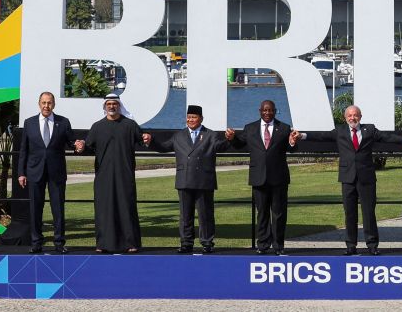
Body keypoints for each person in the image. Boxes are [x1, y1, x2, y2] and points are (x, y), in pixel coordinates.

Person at [297, 105, 402, 255]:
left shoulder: (370, 129)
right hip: (347, 178)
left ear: (360, 117)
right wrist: (302, 135)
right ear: (345, 118)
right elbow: (322, 136)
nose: (352, 118)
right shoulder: (340, 131)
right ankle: (350, 245)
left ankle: (372, 245)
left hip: (366, 178)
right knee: (350, 213)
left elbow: (387, 137)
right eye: (349, 115)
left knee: (369, 212)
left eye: (355, 115)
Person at [148, 104, 230, 254]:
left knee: (205, 214)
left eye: (194, 117)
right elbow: (164, 147)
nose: (191, 120)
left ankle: (207, 243)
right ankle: (186, 243)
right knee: (185, 215)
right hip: (184, 179)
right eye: (189, 117)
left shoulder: (210, 135)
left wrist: (229, 139)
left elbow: (221, 147)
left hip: (204, 180)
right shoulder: (179, 135)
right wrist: (151, 141)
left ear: (201, 119)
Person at [76, 92, 150, 253]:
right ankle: (103, 244)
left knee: (126, 208)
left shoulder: (130, 125)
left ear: (119, 106)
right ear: (105, 106)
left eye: (114, 104)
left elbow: (143, 141)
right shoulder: (97, 127)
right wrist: (81, 146)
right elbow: (88, 146)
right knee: (104, 210)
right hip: (104, 176)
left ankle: (131, 243)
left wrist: (147, 138)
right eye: (109, 104)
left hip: (125, 175)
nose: (112, 106)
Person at [226, 100, 298, 255]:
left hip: (278, 178)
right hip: (258, 177)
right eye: (264, 110)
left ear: (275, 111)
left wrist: (292, 143)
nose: (267, 113)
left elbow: (291, 148)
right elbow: (239, 145)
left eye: (270, 110)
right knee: (262, 213)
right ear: (260, 111)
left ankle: (278, 246)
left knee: (279, 214)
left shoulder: (284, 128)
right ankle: (263, 245)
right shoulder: (250, 128)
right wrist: (232, 138)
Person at [16, 91, 75, 254]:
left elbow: (71, 142)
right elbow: (24, 150)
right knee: (35, 208)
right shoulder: (29, 123)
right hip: (34, 172)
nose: (46, 106)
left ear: (53, 104)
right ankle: (36, 242)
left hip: (57, 172)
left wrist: (78, 145)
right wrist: (21, 173)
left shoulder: (63, 122)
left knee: (58, 208)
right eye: (44, 102)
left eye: (49, 103)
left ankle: (59, 242)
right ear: (39, 104)